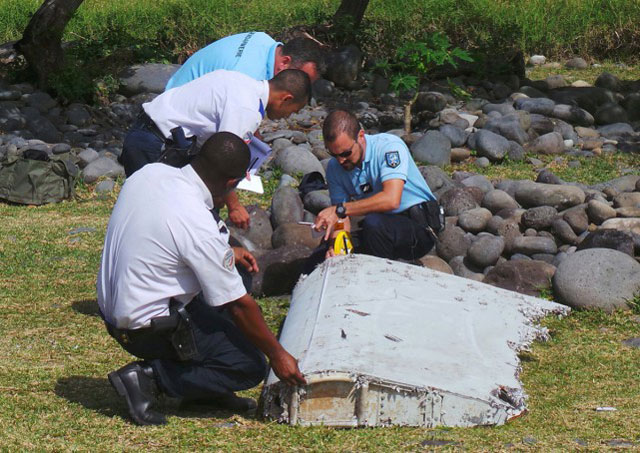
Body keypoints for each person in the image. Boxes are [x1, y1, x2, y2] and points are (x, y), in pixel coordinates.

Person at [98, 132, 306, 426]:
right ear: (231, 183)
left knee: (240, 275)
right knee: (247, 364)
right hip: (146, 328)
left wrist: (228, 252)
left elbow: (167, 237)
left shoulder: (151, 173)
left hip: (116, 308)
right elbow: (239, 306)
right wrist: (278, 354)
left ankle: (204, 389)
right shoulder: (195, 219)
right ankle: (148, 378)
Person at [119, 68, 311, 228]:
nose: (287, 117)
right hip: (157, 145)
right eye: (292, 111)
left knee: (145, 212)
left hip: (145, 132)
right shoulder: (247, 109)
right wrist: (234, 205)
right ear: (286, 98)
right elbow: (224, 160)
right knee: (158, 220)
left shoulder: (241, 80)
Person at [309, 110, 437, 268]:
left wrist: (340, 209)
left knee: (374, 224)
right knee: (321, 256)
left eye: (346, 153)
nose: (341, 160)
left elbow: (391, 200)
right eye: (333, 154)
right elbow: (341, 219)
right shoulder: (335, 168)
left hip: (418, 228)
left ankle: (384, 278)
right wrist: (336, 248)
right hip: (380, 227)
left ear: (361, 136)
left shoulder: (389, 147)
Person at [166, 32, 324, 90]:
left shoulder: (263, 39)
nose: (302, 90)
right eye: (302, 81)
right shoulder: (248, 77)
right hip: (173, 120)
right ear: (284, 62)